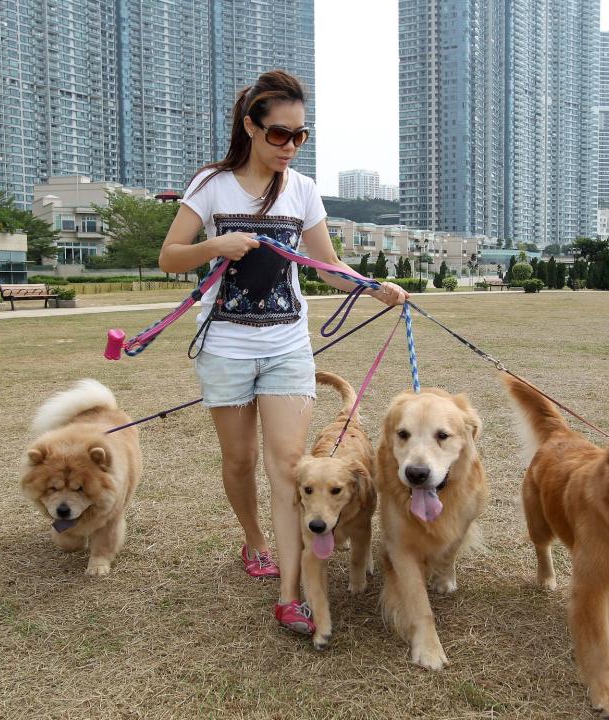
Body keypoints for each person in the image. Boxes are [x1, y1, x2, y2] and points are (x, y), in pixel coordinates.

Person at [158, 69, 407, 636]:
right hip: (224, 344)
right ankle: (254, 540)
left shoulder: (303, 190)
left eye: (300, 136)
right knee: (240, 461)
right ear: (250, 126)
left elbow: (328, 266)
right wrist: (213, 246)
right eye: (278, 135)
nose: (289, 147)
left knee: (288, 469)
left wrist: (373, 288)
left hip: (288, 343)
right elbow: (169, 257)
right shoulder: (212, 185)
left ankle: (293, 594)